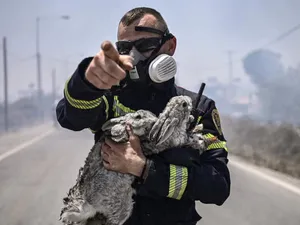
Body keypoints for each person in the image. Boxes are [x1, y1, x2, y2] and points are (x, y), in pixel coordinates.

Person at [56, 7, 231, 225]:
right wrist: (87, 84)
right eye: (125, 48)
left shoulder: (195, 108)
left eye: (145, 46)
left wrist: (143, 168)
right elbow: (70, 118)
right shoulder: (111, 97)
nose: (134, 57)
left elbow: (218, 187)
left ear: (170, 46)